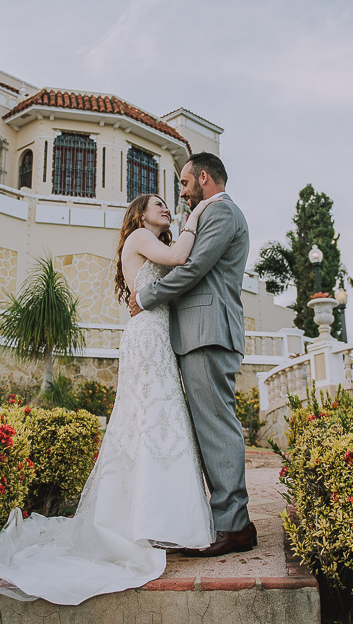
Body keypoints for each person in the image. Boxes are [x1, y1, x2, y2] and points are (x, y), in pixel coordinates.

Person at [0, 191, 222, 605]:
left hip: (155, 336)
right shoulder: (141, 237)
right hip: (146, 339)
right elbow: (180, 257)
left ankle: (156, 519)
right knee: (150, 418)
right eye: (155, 202)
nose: (163, 207)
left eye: (166, 203)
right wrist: (193, 217)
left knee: (158, 420)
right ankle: (147, 521)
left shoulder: (147, 243)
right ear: (139, 214)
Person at [130, 152, 255, 558]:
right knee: (208, 429)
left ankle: (234, 526)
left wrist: (146, 297)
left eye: (184, 184)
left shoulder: (220, 213)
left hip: (208, 332)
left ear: (203, 178)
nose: (181, 193)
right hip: (197, 334)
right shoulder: (207, 214)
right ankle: (228, 520)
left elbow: (193, 268)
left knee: (217, 427)